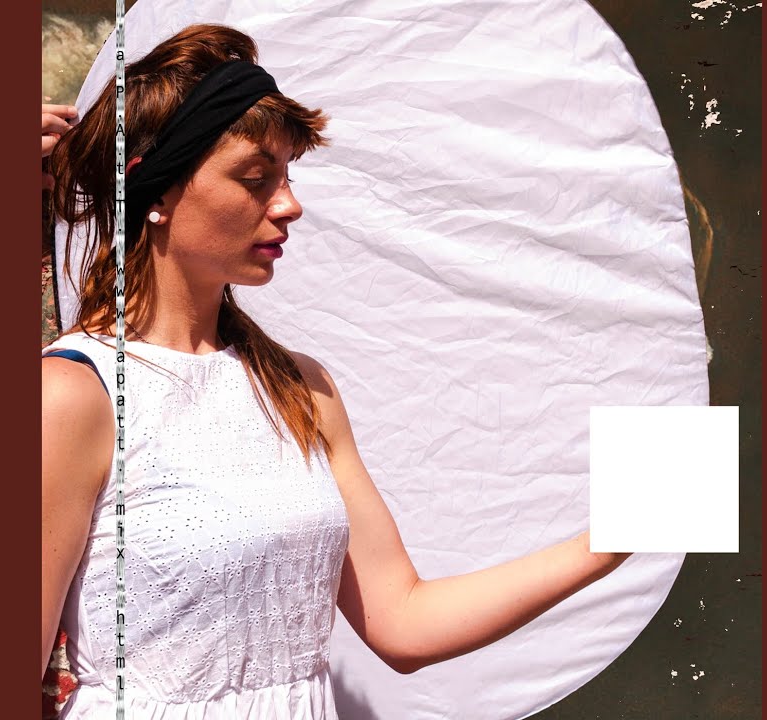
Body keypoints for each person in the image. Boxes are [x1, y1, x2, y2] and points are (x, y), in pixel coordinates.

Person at [41, 23, 629, 719]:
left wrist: (613, 541)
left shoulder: (299, 388)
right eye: (255, 178)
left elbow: (402, 619)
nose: (289, 204)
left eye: (288, 176)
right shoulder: (75, 395)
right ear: (155, 192)